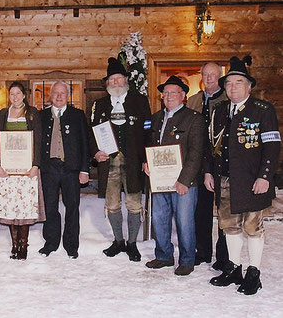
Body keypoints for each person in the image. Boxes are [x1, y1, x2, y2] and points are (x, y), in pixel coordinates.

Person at [205, 56, 280, 295]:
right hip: (225, 180)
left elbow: (272, 147)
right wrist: (208, 172)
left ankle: (253, 273)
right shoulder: (218, 110)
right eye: (228, 83)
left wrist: (265, 177)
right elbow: (210, 146)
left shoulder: (262, 110)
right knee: (229, 226)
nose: (233, 87)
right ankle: (233, 268)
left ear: (249, 86)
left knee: (252, 227)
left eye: (238, 82)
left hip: (252, 181)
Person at [90, 58, 151, 262]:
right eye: (112, 80)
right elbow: (91, 134)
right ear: (107, 83)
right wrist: (95, 153)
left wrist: (146, 158)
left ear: (125, 80)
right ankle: (118, 240)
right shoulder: (99, 104)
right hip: (109, 162)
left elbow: (148, 132)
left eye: (118, 79)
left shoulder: (140, 101)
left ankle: (132, 243)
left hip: (133, 160)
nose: (115, 83)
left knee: (134, 202)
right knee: (112, 203)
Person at [145, 76, 205, 276]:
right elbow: (151, 146)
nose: (169, 96)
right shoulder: (155, 118)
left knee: (184, 221)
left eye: (174, 92)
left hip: (183, 182)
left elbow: (197, 153)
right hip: (160, 181)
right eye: (166, 93)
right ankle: (163, 255)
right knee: (159, 219)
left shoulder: (194, 119)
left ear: (183, 95)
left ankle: (187, 259)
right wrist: (146, 162)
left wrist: (185, 180)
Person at [0, 81, 44, 259]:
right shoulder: (3, 113)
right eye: (11, 94)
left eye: (18, 94)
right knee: (11, 208)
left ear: (24, 95)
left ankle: (23, 246)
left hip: (26, 170)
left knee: (25, 208)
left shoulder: (32, 113)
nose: (15, 97)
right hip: (7, 170)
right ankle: (14, 245)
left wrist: (35, 165)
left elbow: (38, 140)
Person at [39, 81, 90, 258]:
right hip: (49, 168)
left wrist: (85, 169)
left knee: (72, 206)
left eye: (62, 93)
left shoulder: (77, 115)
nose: (59, 97)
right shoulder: (42, 116)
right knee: (50, 206)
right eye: (55, 93)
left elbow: (85, 143)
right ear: (50, 96)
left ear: (68, 96)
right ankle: (51, 242)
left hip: (71, 169)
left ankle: (71, 245)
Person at [186, 62, 229, 269]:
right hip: (198, 163)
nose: (209, 78)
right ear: (202, 76)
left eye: (213, 75)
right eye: (206, 74)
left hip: (221, 163)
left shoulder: (227, 100)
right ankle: (202, 251)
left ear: (220, 76)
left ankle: (224, 256)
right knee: (200, 211)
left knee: (224, 210)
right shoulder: (193, 101)